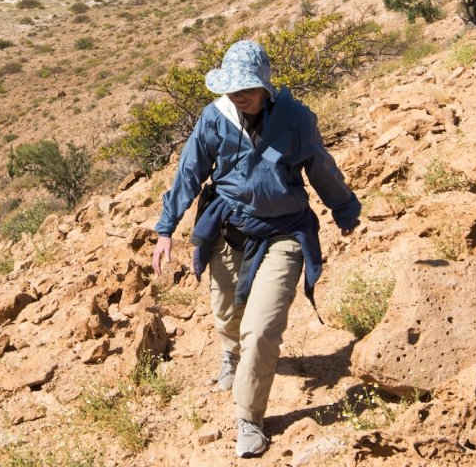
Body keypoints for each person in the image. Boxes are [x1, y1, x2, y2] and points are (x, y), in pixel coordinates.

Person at [150, 40, 360, 459]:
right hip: (228, 228)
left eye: (246, 86)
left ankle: (249, 418)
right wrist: (166, 227)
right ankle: (230, 354)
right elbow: (189, 171)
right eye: (232, 87)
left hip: (284, 231)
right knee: (227, 314)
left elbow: (319, 165)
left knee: (261, 328)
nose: (238, 94)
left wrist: (344, 208)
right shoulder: (214, 118)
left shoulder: (296, 119)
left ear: (265, 85)